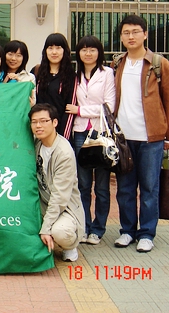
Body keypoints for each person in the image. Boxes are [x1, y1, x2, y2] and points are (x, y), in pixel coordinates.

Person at [112, 14, 169, 253]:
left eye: (135, 32)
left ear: (145, 34)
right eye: (126, 33)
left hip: (151, 138)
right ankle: (127, 231)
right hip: (123, 139)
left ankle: (147, 233)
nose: (131, 36)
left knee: (150, 188)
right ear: (121, 37)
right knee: (125, 188)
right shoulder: (117, 63)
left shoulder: (159, 64)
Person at [65, 36, 116, 245]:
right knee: (83, 184)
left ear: (99, 52)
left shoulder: (107, 74)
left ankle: (98, 228)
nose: (88, 53)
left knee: (102, 186)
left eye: (92, 49)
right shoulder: (74, 76)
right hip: (79, 133)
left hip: (101, 133)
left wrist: (80, 110)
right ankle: (84, 227)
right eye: (84, 50)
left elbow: (109, 106)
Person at [29, 103, 85, 262]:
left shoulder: (64, 153)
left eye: (43, 121)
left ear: (54, 122)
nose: (38, 126)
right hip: (42, 203)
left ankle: (70, 245)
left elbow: (59, 198)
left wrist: (46, 229)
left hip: (65, 207)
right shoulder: (37, 143)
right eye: (34, 122)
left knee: (60, 232)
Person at [31, 33, 77, 140]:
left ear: (65, 51)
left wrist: (63, 139)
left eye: (58, 48)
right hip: (38, 131)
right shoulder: (37, 72)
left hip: (59, 132)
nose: (54, 52)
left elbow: (70, 110)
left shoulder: (71, 76)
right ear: (45, 51)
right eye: (50, 48)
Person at [4, 40, 36, 106]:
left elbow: (32, 101)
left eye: (18, 55)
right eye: (10, 54)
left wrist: (18, 81)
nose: (13, 58)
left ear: (24, 58)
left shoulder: (29, 77)